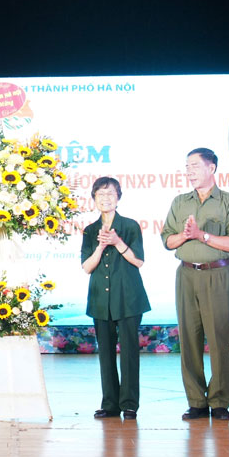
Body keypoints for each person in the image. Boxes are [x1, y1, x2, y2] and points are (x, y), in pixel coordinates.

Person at [160, 148, 229, 421]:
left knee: (218, 339)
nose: (190, 171)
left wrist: (202, 235)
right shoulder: (180, 202)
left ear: (212, 168)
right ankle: (196, 401)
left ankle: (219, 401)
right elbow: (167, 241)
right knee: (189, 339)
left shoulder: (228, 202)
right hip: (186, 274)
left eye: (195, 166)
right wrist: (186, 236)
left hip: (217, 275)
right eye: (187, 167)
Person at [81, 177, 151, 420]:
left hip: (128, 298)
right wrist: (100, 247)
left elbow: (138, 261)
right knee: (106, 354)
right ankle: (110, 404)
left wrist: (117, 242)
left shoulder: (130, 226)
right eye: (100, 194)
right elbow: (87, 267)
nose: (105, 198)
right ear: (94, 199)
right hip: (100, 300)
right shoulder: (90, 230)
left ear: (118, 197)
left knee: (129, 353)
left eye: (110, 193)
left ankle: (129, 404)